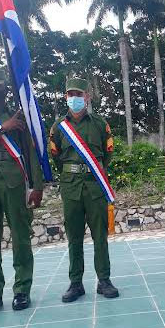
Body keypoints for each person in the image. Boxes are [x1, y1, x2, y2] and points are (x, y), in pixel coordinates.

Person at [49, 77, 118, 303]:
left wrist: (91, 172)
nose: (74, 99)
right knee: (74, 237)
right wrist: (71, 174)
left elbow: (106, 155)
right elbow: (56, 157)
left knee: (100, 235)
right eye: (70, 95)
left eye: (78, 94)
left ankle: (104, 280)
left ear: (87, 97)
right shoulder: (58, 127)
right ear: (65, 97)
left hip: (94, 186)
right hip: (71, 188)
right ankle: (76, 283)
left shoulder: (100, 124)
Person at [0, 69, 43, 313]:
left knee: (20, 237)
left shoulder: (18, 115)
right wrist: (1, 129)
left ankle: (22, 289)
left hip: (14, 182)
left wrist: (37, 186)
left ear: (4, 91)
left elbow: (30, 153)